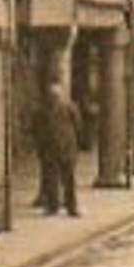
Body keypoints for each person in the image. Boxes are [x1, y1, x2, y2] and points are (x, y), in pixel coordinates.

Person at [39, 82, 82, 217]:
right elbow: (40, 129)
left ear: (62, 95)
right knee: (52, 179)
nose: (54, 97)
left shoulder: (70, 108)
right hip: (50, 150)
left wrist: (74, 145)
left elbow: (78, 126)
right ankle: (53, 206)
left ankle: (71, 207)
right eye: (52, 95)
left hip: (67, 149)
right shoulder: (44, 110)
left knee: (69, 179)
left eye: (57, 95)